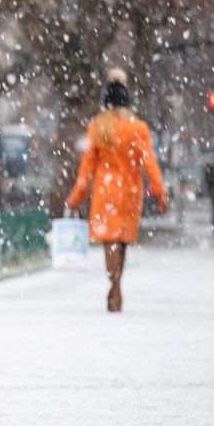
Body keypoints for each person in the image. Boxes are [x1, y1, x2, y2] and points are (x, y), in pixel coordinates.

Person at [66, 68, 169, 312]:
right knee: (122, 242)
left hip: (106, 192)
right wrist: (160, 191)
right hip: (130, 193)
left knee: (109, 241)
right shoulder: (138, 129)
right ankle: (117, 283)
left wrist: (76, 197)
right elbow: (150, 163)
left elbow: (86, 168)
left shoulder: (98, 128)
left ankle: (114, 285)